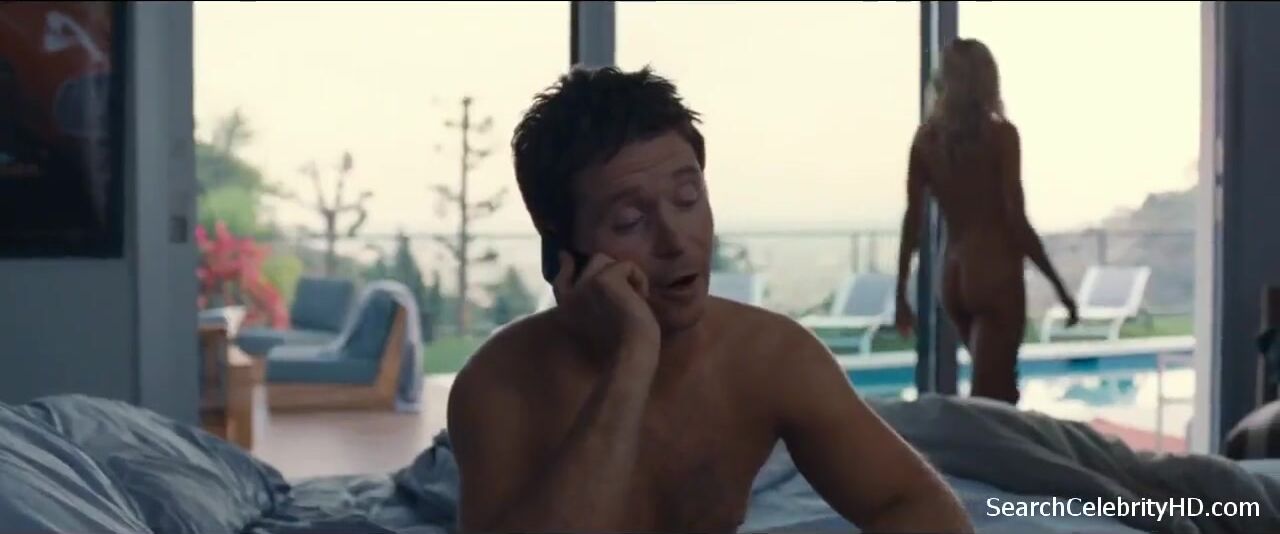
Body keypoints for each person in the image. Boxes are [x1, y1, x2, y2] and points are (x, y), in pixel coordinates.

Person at [446, 66, 973, 533]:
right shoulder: (501, 388)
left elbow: (917, 504)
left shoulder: (770, 356)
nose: (677, 240)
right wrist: (633, 359)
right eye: (630, 220)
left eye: (688, 198)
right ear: (564, 247)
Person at [894, 38, 1079, 406]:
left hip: (953, 275)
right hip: (994, 273)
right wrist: (1059, 286)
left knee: (991, 388)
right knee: (997, 402)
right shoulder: (1001, 136)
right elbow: (1016, 221)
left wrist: (900, 292)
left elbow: (913, 220)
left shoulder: (926, 140)